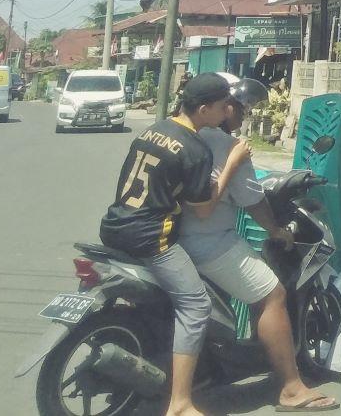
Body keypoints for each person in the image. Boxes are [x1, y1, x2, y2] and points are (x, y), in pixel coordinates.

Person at [176, 74, 337, 412]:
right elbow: (253, 201)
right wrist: (278, 231)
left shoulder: (177, 132)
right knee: (272, 293)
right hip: (208, 241)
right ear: (224, 107)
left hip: (170, 238)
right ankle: (292, 388)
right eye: (241, 109)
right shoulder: (228, 146)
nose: (243, 116)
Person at [99, 73, 245, 416]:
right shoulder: (196, 151)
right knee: (195, 306)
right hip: (151, 238)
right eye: (224, 105)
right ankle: (180, 403)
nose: (228, 110)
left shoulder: (155, 129)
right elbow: (205, 210)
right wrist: (232, 165)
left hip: (114, 226)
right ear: (205, 108)